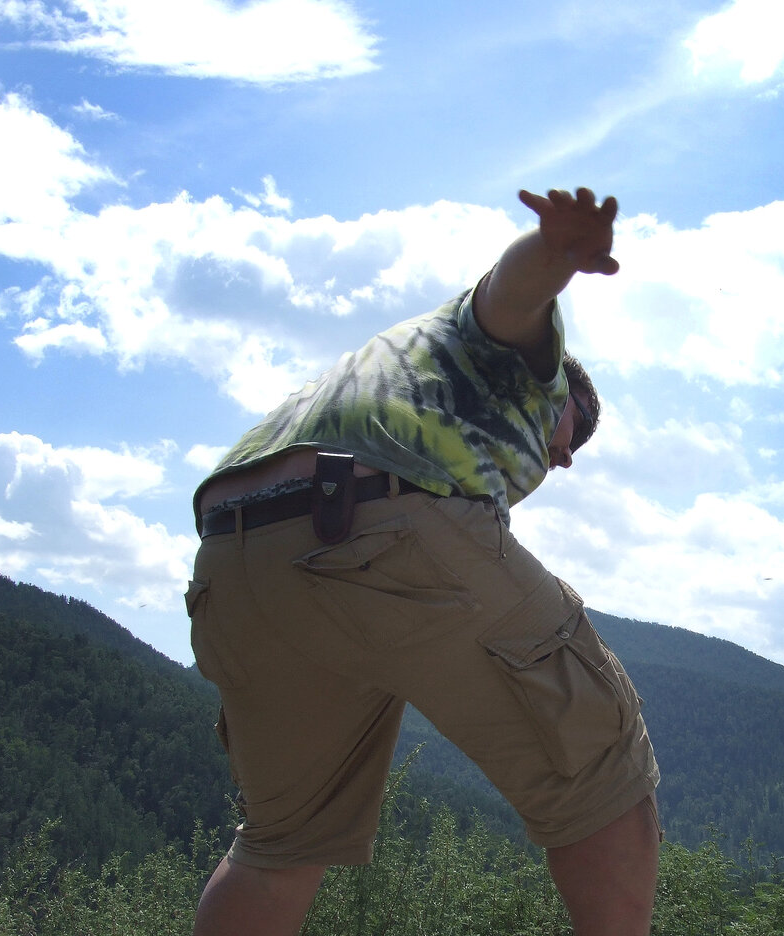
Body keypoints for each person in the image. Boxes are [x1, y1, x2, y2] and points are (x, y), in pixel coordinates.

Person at [185, 187, 661, 936]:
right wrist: (555, 253)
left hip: (231, 561)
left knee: (281, 842)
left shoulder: (380, 376)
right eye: (575, 430)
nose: (566, 455)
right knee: (600, 760)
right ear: (559, 386)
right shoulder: (515, 366)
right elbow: (511, 297)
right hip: (372, 519)